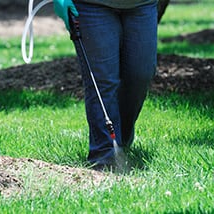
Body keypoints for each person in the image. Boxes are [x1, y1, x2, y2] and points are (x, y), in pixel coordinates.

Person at [53, 0, 158, 169]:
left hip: (142, 4)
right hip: (90, 5)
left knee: (140, 75)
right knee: (102, 81)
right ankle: (104, 157)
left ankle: (120, 141)